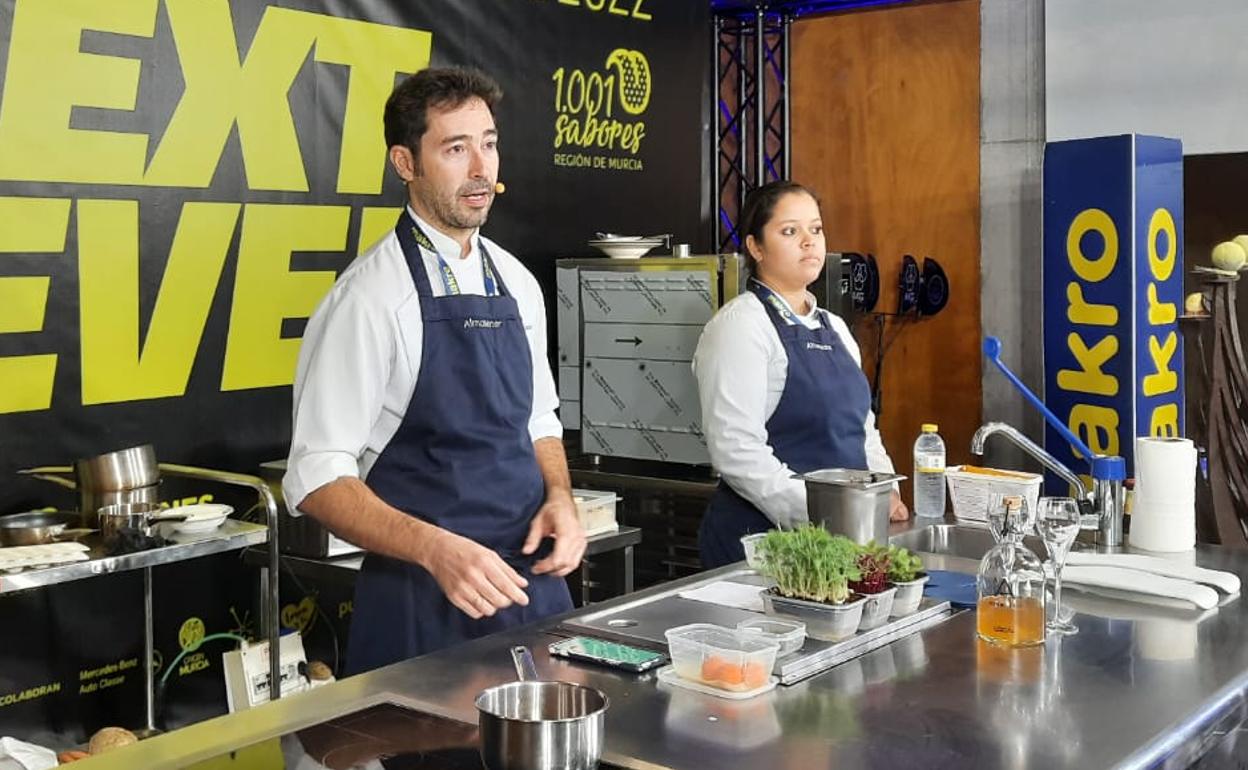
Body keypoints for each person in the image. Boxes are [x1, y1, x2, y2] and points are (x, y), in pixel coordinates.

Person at [283, 67, 585, 675]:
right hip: (424, 604)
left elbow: (537, 419)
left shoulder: (517, 282)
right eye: (455, 148)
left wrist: (560, 496)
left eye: (489, 143)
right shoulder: (368, 299)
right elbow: (315, 477)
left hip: (532, 589)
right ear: (405, 162)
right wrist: (435, 549)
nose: (481, 168)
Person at [694, 180, 908, 568]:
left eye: (816, 229)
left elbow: (863, 431)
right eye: (790, 231)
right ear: (755, 247)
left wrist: (883, 491)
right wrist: (824, 515)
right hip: (764, 545)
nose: (809, 242)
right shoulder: (741, 326)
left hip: (844, 540)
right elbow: (737, 451)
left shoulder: (836, 328)